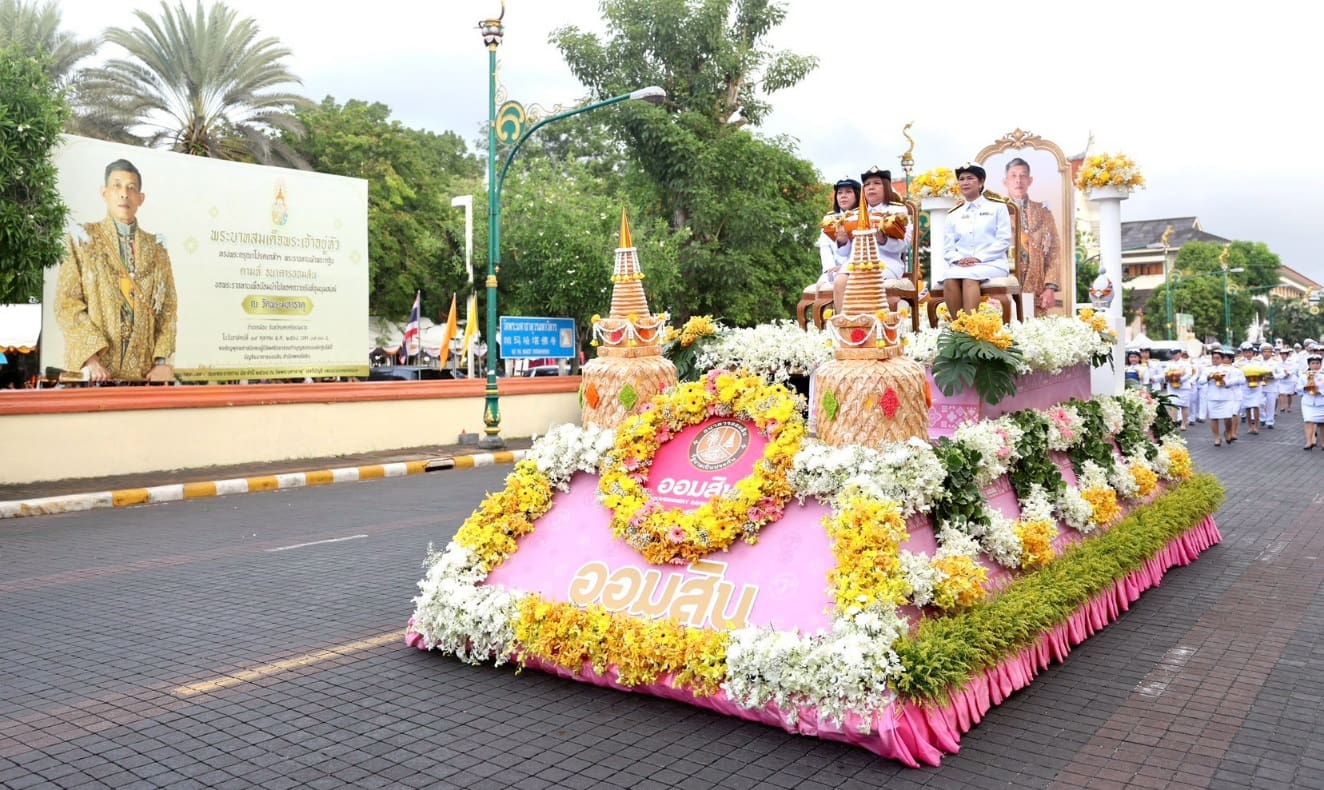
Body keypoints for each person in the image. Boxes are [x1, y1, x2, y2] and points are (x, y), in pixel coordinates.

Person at [56, 159, 177, 383]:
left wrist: (162, 363)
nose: (124, 194)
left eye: (131, 188)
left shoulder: (157, 249)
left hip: (144, 376)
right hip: (95, 375)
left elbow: (167, 309)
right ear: (104, 193)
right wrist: (90, 359)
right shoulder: (83, 239)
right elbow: (67, 303)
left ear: (141, 198)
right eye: (117, 186)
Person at [941, 163, 1012, 318]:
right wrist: (959, 260)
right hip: (963, 265)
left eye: (970, 178)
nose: (965, 182)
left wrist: (979, 258)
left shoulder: (998, 208)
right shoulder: (953, 214)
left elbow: (1004, 240)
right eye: (961, 179)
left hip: (992, 263)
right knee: (949, 279)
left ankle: (972, 329)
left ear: (981, 182)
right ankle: (959, 328)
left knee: (969, 278)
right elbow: (948, 249)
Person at [1002, 157, 1062, 316]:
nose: (1018, 180)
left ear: (1030, 180)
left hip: (1036, 290)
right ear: (1005, 181)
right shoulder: (995, 212)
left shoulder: (1043, 212)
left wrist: (1050, 287)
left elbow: (1054, 250)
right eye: (1013, 176)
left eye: (1022, 175)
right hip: (1002, 289)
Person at [817, 177, 861, 290]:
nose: (843, 196)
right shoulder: (829, 218)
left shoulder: (863, 218)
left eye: (848, 192)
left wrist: (844, 267)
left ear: (857, 194)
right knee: (821, 287)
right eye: (840, 193)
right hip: (832, 270)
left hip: (855, 269)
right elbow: (824, 247)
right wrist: (829, 268)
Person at [1199, 347, 1245, 446]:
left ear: (1222, 359)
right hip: (1212, 397)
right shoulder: (1207, 369)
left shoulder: (1228, 369)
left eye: (1217, 358)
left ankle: (1228, 432)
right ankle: (1217, 437)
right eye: (1213, 358)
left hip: (1227, 396)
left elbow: (1238, 380)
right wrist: (1209, 377)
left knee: (1228, 418)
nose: (1215, 360)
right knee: (1214, 418)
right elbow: (1200, 381)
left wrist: (1226, 382)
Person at [1299, 353, 1323, 449]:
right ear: (1309, 365)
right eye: (1313, 363)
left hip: (1321, 402)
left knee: (1322, 423)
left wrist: (1320, 391)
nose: (1315, 365)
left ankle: (1323, 443)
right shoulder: (1303, 376)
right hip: (1308, 402)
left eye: (1317, 363)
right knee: (1308, 420)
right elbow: (1298, 388)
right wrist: (1305, 388)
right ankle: (1309, 442)